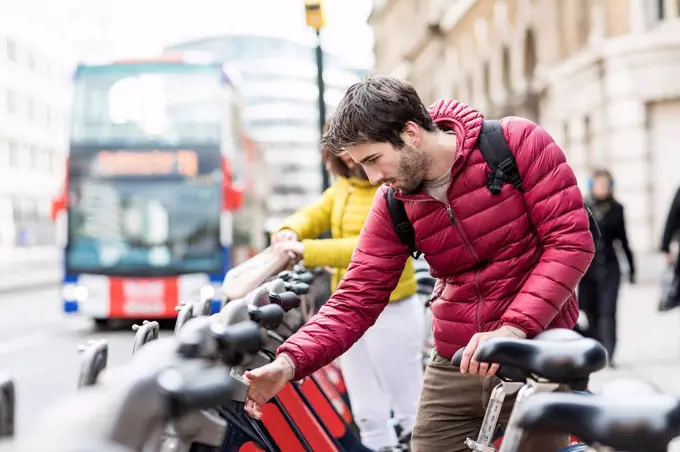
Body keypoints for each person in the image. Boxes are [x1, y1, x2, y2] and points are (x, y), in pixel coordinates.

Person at [243, 75, 595, 452]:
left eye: (374, 160)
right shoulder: (393, 200)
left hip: (532, 351)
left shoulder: (516, 142)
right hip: (455, 360)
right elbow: (356, 297)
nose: (373, 177)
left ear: (410, 133)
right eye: (362, 166)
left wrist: (512, 329)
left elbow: (570, 242)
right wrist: (289, 362)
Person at [270, 145, 423, 451]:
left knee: (411, 408)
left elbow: (373, 245)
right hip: (351, 309)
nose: (348, 157)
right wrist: (289, 230)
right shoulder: (343, 188)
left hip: (391, 307)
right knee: (367, 412)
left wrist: (308, 251)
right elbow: (314, 214)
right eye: (339, 151)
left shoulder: (391, 188)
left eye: (352, 149)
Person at [577, 169, 634, 366]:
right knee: (590, 311)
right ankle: (595, 350)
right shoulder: (582, 206)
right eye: (598, 184)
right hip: (588, 270)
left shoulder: (617, 208)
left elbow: (623, 240)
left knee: (608, 311)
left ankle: (610, 353)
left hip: (610, 268)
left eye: (606, 184)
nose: (602, 188)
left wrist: (632, 267)